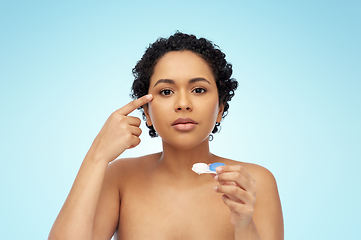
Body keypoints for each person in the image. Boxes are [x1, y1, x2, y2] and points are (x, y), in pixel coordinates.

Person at [48, 32, 283, 240]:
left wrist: (243, 224)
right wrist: (97, 156)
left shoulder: (253, 182)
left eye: (198, 90)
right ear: (147, 113)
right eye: (166, 91)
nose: (182, 104)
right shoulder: (120, 178)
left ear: (220, 108)